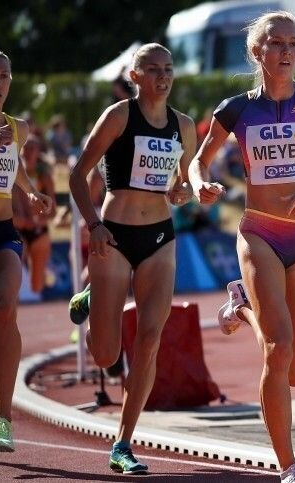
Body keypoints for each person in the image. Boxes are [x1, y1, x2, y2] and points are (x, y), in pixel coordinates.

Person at [187, 11, 295, 482]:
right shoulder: (235, 110)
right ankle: (288, 467)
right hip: (260, 233)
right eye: (276, 43)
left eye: (293, 43)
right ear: (256, 51)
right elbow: (198, 162)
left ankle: (241, 307)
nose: (286, 51)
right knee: (278, 349)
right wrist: (201, 184)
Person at [68, 43, 195, 474]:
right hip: (114, 237)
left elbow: (181, 184)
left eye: (168, 69)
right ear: (135, 76)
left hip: (160, 238)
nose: (163, 76)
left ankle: (123, 442)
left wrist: (183, 190)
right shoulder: (119, 116)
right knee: (106, 355)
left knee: (150, 337)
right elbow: (78, 174)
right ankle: (92, 299)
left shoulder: (184, 125)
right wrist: (93, 225)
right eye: (153, 69)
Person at [0, 50, 54, 452]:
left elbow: (13, 165)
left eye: (3, 75)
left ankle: (3, 417)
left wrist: (30, 192)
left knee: (5, 308)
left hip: (4, 232)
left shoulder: (17, 127)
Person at [12, 135, 55, 294]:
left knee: (36, 286)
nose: (29, 152)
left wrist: (38, 221)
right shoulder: (11, 172)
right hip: (16, 229)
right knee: (12, 277)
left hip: (38, 230)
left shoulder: (44, 177)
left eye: (33, 148)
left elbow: (53, 211)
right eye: (26, 148)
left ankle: (42, 271)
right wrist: (17, 220)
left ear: (38, 152)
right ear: (20, 150)